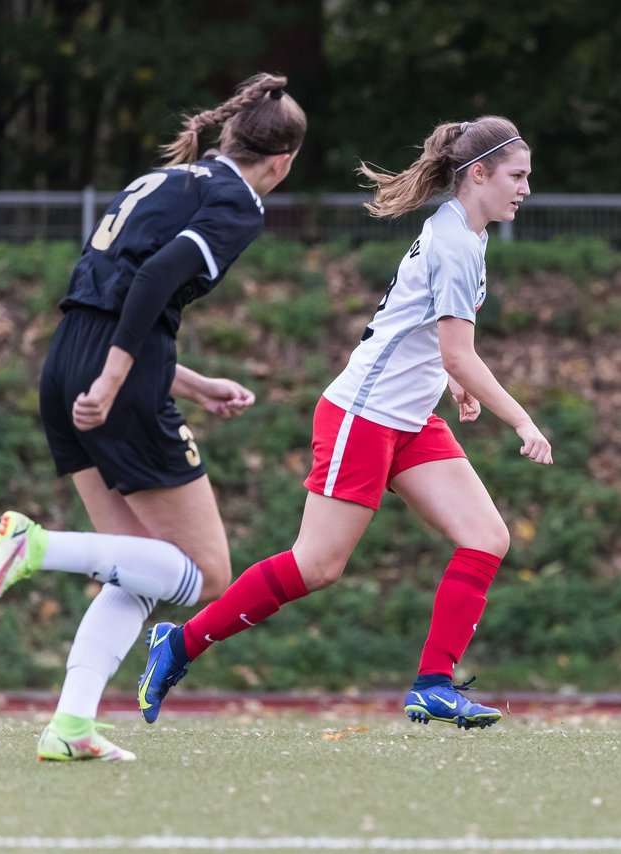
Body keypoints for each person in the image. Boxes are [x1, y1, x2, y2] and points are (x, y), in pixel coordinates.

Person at [137, 115, 551, 730]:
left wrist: (457, 385)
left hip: (407, 418)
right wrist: (521, 419)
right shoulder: (458, 241)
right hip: (363, 414)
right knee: (318, 566)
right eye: (516, 176)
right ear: (479, 174)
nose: (524, 188)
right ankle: (179, 643)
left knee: (487, 537)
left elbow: (432, 336)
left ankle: (434, 685)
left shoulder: (465, 230)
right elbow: (455, 349)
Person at [0, 73, 307, 761]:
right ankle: (36, 546)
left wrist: (191, 380)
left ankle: (70, 725)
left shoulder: (173, 179)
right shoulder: (238, 203)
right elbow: (152, 280)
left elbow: (115, 300)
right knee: (207, 573)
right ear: (281, 162)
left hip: (65, 362)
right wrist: (121, 377)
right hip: (109, 377)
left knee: (139, 571)